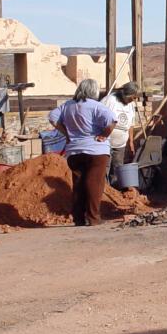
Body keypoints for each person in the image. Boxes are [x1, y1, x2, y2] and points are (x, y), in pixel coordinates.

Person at [48, 79, 117, 226]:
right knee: (94, 183)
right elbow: (112, 120)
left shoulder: (67, 106)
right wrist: (104, 135)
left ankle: (78, 218)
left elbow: (52, 118)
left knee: (78, 184)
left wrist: (66, 133)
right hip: (96, 151)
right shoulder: (97, 106)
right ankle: (93, 218)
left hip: (74, 151)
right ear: (94, 91)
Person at [103, 82, 142, 186]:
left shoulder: (131, 105)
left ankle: (115, 190)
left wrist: (131, 142)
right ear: (125, 95)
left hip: (120, 145)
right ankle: (104, 191)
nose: (133, 100)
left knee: (117, 169)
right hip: (106, 142)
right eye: (132, 98)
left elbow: (131, 125)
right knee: (104, 168)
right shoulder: (110, 100)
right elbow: (99, 117)